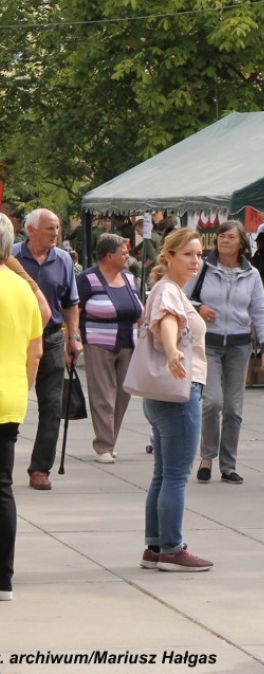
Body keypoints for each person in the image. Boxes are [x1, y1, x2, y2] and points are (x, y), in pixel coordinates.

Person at [139, 229, 212, 572]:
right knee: (176, 476)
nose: (196, 261)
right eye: (188, 254)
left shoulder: (168, 290)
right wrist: (171, 352)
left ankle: (155, 546)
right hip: (179, 392)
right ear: (168, 256)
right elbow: (167, 325)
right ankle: (172, 548)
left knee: (162, 475)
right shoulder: (168, 291)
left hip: (163, 393)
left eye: (198, 255)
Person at [187, 221, 264, 485]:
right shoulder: (202, 268)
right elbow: (181, 298)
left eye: (230, 236)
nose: (224, 240)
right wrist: (199, 307)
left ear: (241, 243)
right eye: (221, 236)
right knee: (212, 401)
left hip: (239, 345)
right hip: (208, 343)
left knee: (234, 408)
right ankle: (207, 457)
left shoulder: (252, 274)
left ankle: (228, 465)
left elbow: (260, 311)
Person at [13, 208, 81, 491]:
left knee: (52, 407)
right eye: (50, 228)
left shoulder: (63, 260)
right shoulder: (12, 256)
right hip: (15, 340)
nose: (56, 233)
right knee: (11, 405)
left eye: (57, 228)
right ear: (31, 230)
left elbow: (70, 302)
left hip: (51, 338)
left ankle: (40, 468)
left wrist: (73, 337)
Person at [0, 213, 44, 600]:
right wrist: (23, 388)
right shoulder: (22, 288)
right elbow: (36, 350)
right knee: (3, 488)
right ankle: (4, 579)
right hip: (10, 396)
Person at [78, 233, 144, 464]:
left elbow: (139, 308)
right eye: (123, 252)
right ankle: (103, 445)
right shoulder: (88, 279)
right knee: (103, 395)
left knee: (123, 395)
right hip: (99, 341)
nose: (128, 255)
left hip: (128, 341)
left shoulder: (129, 279)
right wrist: (75, 339)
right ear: (108, 256)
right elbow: (76, 309)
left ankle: (110, 440)